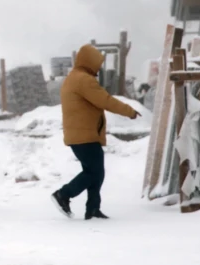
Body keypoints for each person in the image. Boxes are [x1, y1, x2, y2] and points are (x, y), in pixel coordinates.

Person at [52, 44, 140, 220]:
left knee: (95, 171)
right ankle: (63, 194)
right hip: (84, 135)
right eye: (97, 63)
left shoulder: (74, 77)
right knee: (94, 172)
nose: (99, 67)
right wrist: (129, 111)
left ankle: (92, 209)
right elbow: (105, 100)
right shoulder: (84, 80)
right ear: (89, 61)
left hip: (81, 134)